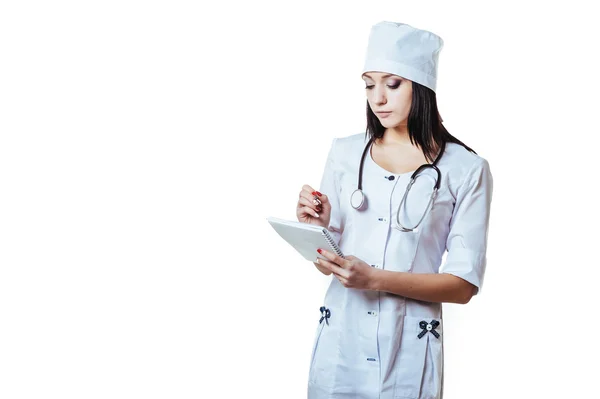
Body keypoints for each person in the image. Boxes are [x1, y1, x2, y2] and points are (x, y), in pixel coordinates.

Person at [295, 21, 494, 399]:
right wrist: (319, 231)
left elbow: (463, 285)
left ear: (422, 86)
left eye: (392, 83)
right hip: (341, 347)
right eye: (369, 85)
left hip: (410, 350)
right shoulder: (345, 153)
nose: (378, 98)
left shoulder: (466, 169)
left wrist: (375, 279)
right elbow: (328, 259)